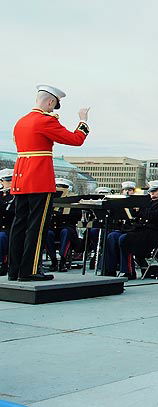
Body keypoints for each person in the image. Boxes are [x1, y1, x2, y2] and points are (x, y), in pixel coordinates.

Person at [7, 85, 90, 282]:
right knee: (37, 226)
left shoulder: (21, 122)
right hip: (39, 179)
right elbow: (76, 139)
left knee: (19, 225)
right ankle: (30, 270)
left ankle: (14, 270)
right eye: (54, 105)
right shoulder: (45, 120)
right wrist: (83, 121)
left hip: (21, 178)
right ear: (51, 102)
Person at [102, 180, 158, 279]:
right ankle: (110, 269)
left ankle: (128, 271)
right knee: (112, 236)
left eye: (155, 191)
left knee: (125, 239)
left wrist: (139, 210)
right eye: (151, 191)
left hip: (152, 233)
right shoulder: (147, 201)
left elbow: (155, 216)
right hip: (139, 230)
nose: (152, 193)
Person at [0, 168, 14, 276]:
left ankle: (2, 263)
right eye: (8, 180)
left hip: (10, 227)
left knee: (2, 237)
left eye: (11, 180)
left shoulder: (16, 195)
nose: (10, 182)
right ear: (1, 182)